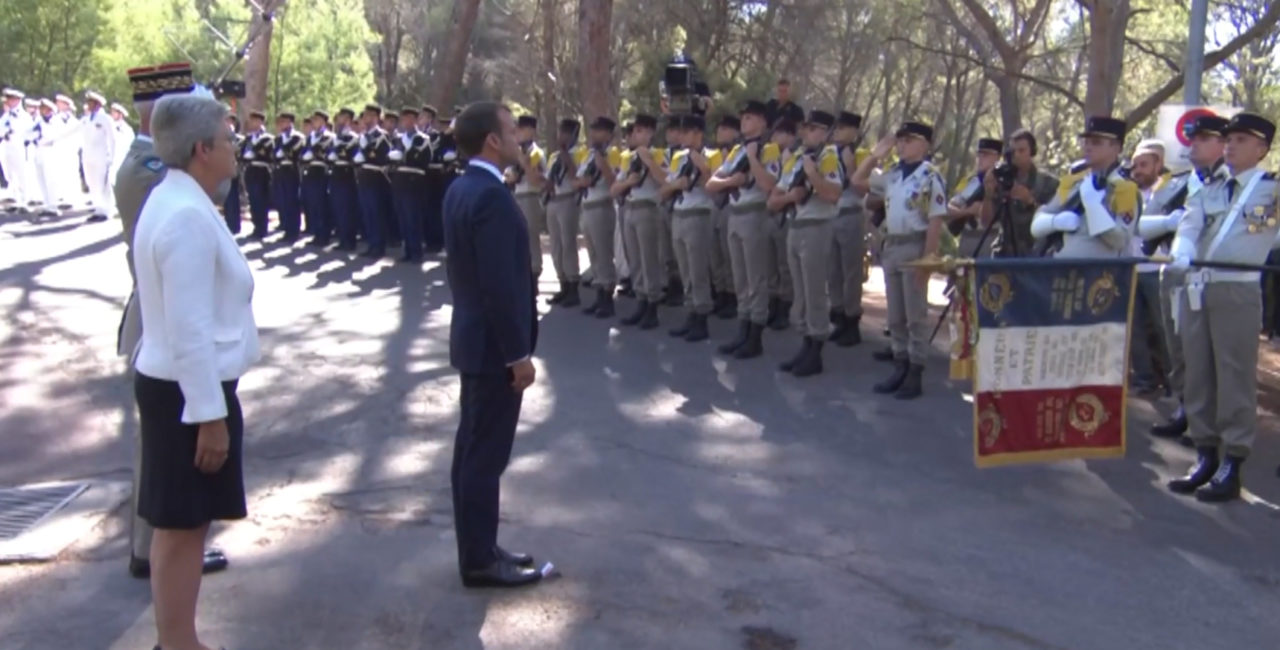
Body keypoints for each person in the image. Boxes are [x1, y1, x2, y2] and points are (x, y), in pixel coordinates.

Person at [132, 91, 258, 650]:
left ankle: (176, 639)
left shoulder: (180, 200)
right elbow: (189, 329)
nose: (235, 148)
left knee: (181, 524)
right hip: (188, 392)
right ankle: (178, 642)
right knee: (182, 526)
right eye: (228, 139)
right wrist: (209, 416)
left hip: (180, 385)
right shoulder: (184, 215)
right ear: (202, 149)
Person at [115, 63, 232, 583]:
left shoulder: (154, 165)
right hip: (161, 316)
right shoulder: (148, 170)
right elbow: (217, 193)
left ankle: (167, 543)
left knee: (166, 462)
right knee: (165, 462)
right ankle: (152, 546)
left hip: (167, 310)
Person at [442, 101, 542, 588]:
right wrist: (517, 355)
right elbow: (499, 285)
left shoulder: (463, 188)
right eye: (511, 131)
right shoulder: (491, 197)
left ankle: (481, 547)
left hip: (474, 341)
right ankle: (479, 560)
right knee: (484, 457)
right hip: (492, 350)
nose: (519, 138)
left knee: (473, 452)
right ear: (492, 142)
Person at [1165, 112, 1279, 503]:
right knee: (1198, 372)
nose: (1230, 145)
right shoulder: (1209, 186)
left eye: (1242, 139)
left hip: (1238, 290)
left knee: (1234, 376)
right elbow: (1190, 225)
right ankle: (1204, 454)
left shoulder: (1272, 190)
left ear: (1262, 149)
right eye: (1228, 138)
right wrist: (1182, 251)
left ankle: (1233, 459)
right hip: (1199, 286)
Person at [1138, 114, 1229, 440]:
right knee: (1176, 346)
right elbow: (1142, 225)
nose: (1195, 145)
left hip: (1210, 275)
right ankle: (1185, 407)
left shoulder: (1233, 185)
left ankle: (1208, 420)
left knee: (1207, 351)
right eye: (1192, 139)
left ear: (1223, 143)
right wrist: (1170, 224)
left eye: (1204, 139)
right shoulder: (1175, 183)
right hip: (1172, 271)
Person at [852, 121, 948, 400]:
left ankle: (916, 369)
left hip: (915, 245)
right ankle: (900, 363)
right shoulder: (893, 174)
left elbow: (935, 220)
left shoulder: (930, 176)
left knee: (914, 313)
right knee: (895, 313)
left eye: (909, 140)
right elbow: (858, 182)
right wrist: (875, 154)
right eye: (900, 140)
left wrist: (928, 262)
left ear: (925, 145)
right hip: (892, 245)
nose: (902, 145)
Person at [769, 110, 843, 377]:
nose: (807, 133)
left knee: (814, 291)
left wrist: (813, 175)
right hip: (796, 226)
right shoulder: (797, 158)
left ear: (826, 133)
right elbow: (773, 200)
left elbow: (833, 194)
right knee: (800, 293)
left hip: (817, 227)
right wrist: (791, 196)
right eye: (807, 128)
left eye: (814, 129)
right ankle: (805, 344)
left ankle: (816, 348)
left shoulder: (829, 158)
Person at [706, 100, 782, 359]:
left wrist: (752, 158)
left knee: (755, 277)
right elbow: (711, 183)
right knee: (740, 277)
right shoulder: (736, 150)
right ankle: (743, 327)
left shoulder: (769, 149)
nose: (745, 121)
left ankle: (755, 335)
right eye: (743, 117)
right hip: (735, 215)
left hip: (754, 215)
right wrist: (733, 180)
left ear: (763, 122)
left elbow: (769, 184)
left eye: (750, 117)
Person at [1030, 116, 1139, 258]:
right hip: (1060, 273)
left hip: (1101, 276)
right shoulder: (1073, 183)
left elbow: (1120, 240)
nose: (1088, 147)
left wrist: (1094, 207)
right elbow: (1038, 223)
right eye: (1085, 141)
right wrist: (1055, 222)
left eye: (1096, 142)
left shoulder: (1124, 188)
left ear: (1116, 147)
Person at [661, 114, 721, 342]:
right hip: (679, 213)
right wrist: (676, 184)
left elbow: (714, 186)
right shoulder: (678, 158)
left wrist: (703, 168)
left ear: (698, 134)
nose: (681, 136)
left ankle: (702, 316)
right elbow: (665, 188)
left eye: (686, 132)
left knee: (698, 269)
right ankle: (691, 312)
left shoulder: (712, 155)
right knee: (685, 269)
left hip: (699, 214)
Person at [613, 114, 668, 328]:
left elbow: (666, 180)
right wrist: (627, 182)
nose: (638, 135)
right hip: (630, 208)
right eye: (636, 131)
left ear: (652, 133)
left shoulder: (658, 154)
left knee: (649, 259)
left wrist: (649, 161)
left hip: (648, 208)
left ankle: (653, 304)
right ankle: (641, 300)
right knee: (634, 259)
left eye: (643, 131)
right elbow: (614, 189)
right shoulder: (628, 158)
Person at [1127, 138, 1170, 394]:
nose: (1138, 170)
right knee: (1136, 331)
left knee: (1164, 328)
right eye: (1135, 166)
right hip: (1131, 269)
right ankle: (1144, 380)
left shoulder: (1169, 191)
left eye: (1144, 165)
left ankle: (1174, 382)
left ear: (1158, 164)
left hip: (1158, 269)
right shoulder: (1127, 192)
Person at [979, 129, 1058, 257]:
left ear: (1032, 152)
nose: (1016, 155)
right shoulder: (1000, 180)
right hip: (1004, 255)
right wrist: (988, 195)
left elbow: (1055, 222)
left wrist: (1030, 201)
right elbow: (985, 223)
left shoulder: (1048, 184)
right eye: (1013, 151)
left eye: (1021, 150)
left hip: (1036, 254)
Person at [828, 111, 869, 346]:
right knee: (833, 271)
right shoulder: (829, 154)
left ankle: (852, 320)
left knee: (851, 272)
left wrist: (850, 164)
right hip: (832, 214)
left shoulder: (861, 155)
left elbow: (862, 189)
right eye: (836, 128)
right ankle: (838, 314)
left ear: (854, 131)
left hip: (851, 215)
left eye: (842, 128)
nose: (837, 132)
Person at [577, 116, 621, 318]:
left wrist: (602, 163)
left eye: (599, 130)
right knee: (593, 254)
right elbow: (577, 180)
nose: (594, 134)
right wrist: (583, 181)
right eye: (593, 130)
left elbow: (613, 180)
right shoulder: (588, 155)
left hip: (602, 206)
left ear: (609, 134)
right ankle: (599, 294)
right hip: (587, 205)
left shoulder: (613, 154)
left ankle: (607, 297)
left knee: (604, 253)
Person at [543, 119, 587, 306]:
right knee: (556, 245)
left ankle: (573, 286)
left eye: (566, 133)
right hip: (553, 200)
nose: (561, 136)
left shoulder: (579, 154)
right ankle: (562, 282)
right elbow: (549, 178)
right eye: (561, 132)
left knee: (568, 243)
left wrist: (565, 154)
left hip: (569, 199)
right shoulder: (553, 156)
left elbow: (575, 175)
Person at [765, 119, 798, 331]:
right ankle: (773, 303)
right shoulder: (771, 154)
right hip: (770, 211)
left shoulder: (796, 157)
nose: (775, 138)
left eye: (779, 134)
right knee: (770, 263)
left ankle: (785, 306)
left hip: (787, 213)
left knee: (785, 264)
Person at [506, 115, 547, 281]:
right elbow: (509, 175)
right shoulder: (518, 153)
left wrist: (524, 164)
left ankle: (534, 271)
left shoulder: (536, 153)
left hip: (531, 196)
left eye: (521, 130)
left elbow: (536, 180)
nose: (517, 133)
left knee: (530, 236)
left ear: (530, 131)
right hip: (516, 195)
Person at [711, 115, 741, 319]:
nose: (720, 133)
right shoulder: (712, 154)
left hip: (732, 204)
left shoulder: (739, 154)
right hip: (715, 204)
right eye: (719, 129)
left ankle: (732, 294)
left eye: (725, 129)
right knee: (716, 254)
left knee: (730, 254)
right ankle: (721, 292)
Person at [357, 104, 394, 258]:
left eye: (371, 116)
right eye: (366, 115)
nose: (367, 119)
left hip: (376, 178)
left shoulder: (382, 135)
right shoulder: (364, 135)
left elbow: (379, 156)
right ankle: (372, 244)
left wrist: (366, 151)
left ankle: (379, 246)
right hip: (364, 177)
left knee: (377, 213)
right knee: (368, 213)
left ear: (378, 118)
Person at [328, 108, 362, 251]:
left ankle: (349, 241)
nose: (339, 120)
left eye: (342, 117)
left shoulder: (353, 137)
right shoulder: (337, 137)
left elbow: (352, 157)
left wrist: (339, 153)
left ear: (348, 119)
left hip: (346, 176)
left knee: (347, 210)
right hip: (336, 174)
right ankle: (343, 239)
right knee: (338, 209)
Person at [82, 91, 116, 222]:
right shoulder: (86, 119)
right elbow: (71, 131)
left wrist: (112, 157)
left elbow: (113, 139)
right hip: (88, 156)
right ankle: (98, 208)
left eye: (90, 102)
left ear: (97, 104)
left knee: (103, 184)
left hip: (101, 156)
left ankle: (107, 210)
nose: (88, 104)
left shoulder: (105, 118)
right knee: (92, 183)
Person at [302, 110, 335, 246]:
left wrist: (315, 153)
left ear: (323, 121)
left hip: (322, 171)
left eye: (316, 120)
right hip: (311, 171)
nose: (314, 122)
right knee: (313, 205)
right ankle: (316, 234)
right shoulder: (311, 137)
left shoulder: (329, 137)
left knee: (322, 205)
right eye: (313, 120)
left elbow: (328, 154)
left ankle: (324, 236)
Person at [271, 112, 304, 241]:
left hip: (292, 170)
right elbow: (274, 155)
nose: (281, 124)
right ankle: (287, 229)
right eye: (280, 122)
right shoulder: (278, 138)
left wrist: (284, 149)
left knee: (292, 201)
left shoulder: (297, 137)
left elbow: (293, 153)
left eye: (284, 121)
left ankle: (294, 231)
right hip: (281, 171)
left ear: (290, 122)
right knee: (284, 201)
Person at [241, 110, 274, 239]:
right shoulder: (248, 138)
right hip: (250, 170)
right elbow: (242, 153)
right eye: (251, 120)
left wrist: (254, 152)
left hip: (261, 171)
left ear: (261, 122)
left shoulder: (267, 138)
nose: (252, 123)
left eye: (255, 120)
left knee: (261, 200)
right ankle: (256, 226)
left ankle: (262, 228)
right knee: (253, 200)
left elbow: (265, 154)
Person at [1, 88, 32, 210]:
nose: (8, 101)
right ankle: (15, 200)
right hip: (7, 147)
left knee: (22, 175)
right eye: (8, 99)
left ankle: (25, 202)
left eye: (11, 99)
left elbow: (27, 133)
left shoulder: (25, 116)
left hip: (19, 148)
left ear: (17, 100)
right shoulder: (6, 115)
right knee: (10, 175)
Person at [109, 102, 135, 195]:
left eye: (114, 112)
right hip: (111, 157)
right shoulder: (109, 126)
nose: (112, 114)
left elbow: (131, 145)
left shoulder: (128, 129)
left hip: (122, 158)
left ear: (120, 114)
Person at [224, 114, 243, 235]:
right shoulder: (220, 138)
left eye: (231, 122)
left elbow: (239, 152)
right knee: (226, 199)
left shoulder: (240, 139)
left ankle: (235, 225)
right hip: (223, 171)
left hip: (235, 170)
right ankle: (228, 223)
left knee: (234, 198)